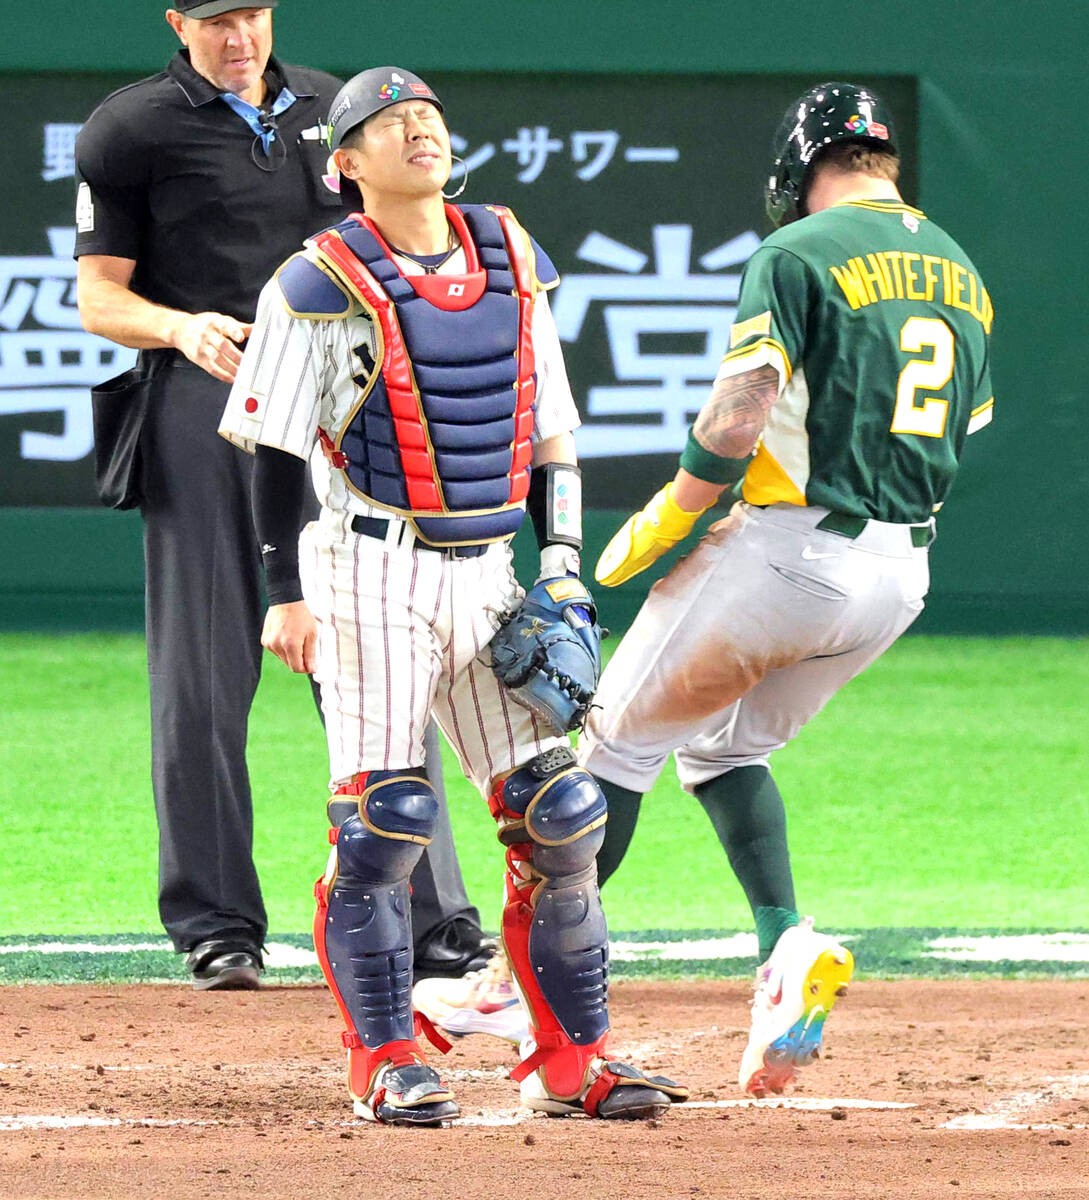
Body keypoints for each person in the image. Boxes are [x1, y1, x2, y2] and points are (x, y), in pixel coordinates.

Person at [218, 65, 686, 1125]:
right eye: (386, 124)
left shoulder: (512, 256)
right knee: (385, 821)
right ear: (345, 166)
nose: (417, 129)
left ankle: (576, 1057)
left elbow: (550, 429)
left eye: (426, 115)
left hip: (490, 571)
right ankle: (383, 1056)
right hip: (364, 568)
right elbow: (276, 451)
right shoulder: (318, 281)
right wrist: (281, 591)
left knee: (562, 816)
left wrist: (562, 560)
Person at [578, 82, 995, 1098]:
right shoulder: (962, 271)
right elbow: (954, 429)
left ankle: (528, 983)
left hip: (790, 555)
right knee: (726, 749)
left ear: (802, 167)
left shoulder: (796, 252)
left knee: (613, 748)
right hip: (899, 575)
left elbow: (741, 409)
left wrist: (683, 506)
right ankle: (787, 947)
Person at [73, 2, 491, 991]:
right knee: (204, 679)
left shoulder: (328, 107)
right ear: (177, 22)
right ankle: (218, 927)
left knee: (377, 657)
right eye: (215, 19)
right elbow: (98, 297)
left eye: (252, 13)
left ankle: (436, 918)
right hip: (205, 403)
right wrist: (179, 330)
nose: (238, 37)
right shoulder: (131, 128)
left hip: (343, 406)